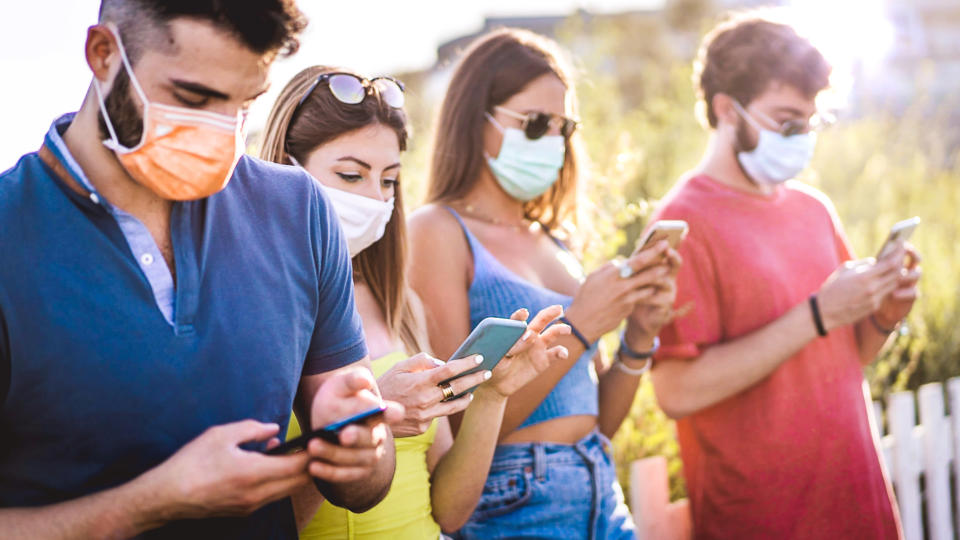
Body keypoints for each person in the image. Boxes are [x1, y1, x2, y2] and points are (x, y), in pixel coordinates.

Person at [0, 2, 404, 538]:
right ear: (103, 54)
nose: (222, 133)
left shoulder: (298, 210)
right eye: (194, 99)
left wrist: (356, 447)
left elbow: (365, 487)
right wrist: (150, 504)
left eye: (244, 104)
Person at [259, 65, 572, 539]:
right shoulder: (252, 310)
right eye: (349, 174)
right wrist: (363, 425)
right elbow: (251, 523)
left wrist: (491, 396)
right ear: (284, 168)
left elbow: (448, 511)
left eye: (388, 181)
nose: (373, 198)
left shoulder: (400, 306)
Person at [648, 13, 920, 538]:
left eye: (810, 123)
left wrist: (884, 317)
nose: (802, 138)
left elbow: (844, 353)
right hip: (763, 518)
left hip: (858, 505)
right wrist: (817, 313)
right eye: (786, 121)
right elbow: (675, 392)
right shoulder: (682, 223)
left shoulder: (812, 208)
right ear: (728, 109)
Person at [408, 29, 680, 539]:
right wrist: (580, 326)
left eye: (562, 127)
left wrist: (639, 334)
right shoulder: (437, 231)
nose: (553, 141)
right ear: (476, 119)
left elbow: (594, 421)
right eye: (535, 124)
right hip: (516, 505)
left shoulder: (556, 241)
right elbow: (458, 426)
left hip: (603, 494)